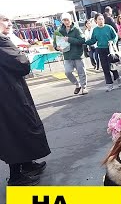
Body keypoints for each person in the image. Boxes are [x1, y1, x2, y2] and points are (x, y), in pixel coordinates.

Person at [0, 12, 51, 186]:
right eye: (4, 21)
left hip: (9, 92)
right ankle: (16, 175)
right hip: (9, 95)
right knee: (15, 130)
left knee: (19, 128)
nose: (9, 24)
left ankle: (27, 164)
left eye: (9, 21)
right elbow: (21, 64)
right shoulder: (2, 42)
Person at [85, 13, 121, 92]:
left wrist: (112, 41)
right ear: (96, 21)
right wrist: (85, 42)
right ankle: (109, 84)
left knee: (112, 66)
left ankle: (118, 78)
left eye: (102, 19)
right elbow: (93, 40)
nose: (101, 21)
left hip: (109, 49)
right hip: (101, 49)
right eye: (99, 19)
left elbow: (115, 36)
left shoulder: (108, 27)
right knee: (105, 68)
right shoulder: (95, 30)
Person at [53, 12, 88, 95]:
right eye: (64, 20)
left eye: (67, 20)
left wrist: (70, 39)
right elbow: (55, 42)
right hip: (67, 55)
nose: (66, 22)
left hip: (77, 54)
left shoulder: (76, 29)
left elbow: (82, 40)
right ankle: (77, 84)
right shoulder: (59, 30)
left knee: (81, 72)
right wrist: (56, 47)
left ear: (71, 20)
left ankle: (84, 87)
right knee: (67, 72)